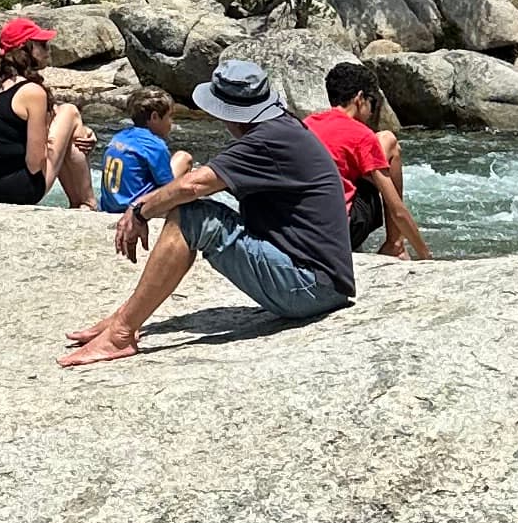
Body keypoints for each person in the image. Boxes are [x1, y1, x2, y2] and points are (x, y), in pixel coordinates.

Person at [58, 55, 355, 367]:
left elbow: (193, 186)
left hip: (310, 287)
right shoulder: (281, 127)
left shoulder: (267, 140)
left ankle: (121, 334)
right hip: (314, 281)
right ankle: (123, 317)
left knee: (193, 216)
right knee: (193, 211)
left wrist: (139, 210)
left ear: (229, 113)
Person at [0, 15, 95, 210]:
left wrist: (75, 133)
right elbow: (35, 163)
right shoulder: (32, 92)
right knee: (70, 111)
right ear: (26, 49)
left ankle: (81, 203)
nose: (48, 51)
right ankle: (86, 203)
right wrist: (74, 134)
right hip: (14, 190)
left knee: (66, 119)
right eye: (42, 45)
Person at [309, 61, 431, 259]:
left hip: (304, 232)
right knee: (388, 141)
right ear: (360, 99)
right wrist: (427, 257)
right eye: (372, 103)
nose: (373, 112)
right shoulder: (361, 134)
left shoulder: (308, 124)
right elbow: (397, 210)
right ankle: (395, 244)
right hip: (340, 234)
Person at [96, 87, 178, 216]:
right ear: (155, 117)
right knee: (183, 158)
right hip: (135, 209)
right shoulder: (155, 145)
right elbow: (169, 186)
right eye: (169, 116)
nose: (171, 123)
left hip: (109, 206)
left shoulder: (118, 137)